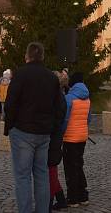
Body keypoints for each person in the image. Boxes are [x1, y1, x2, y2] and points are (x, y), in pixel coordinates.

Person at [4, 42, 66, 213]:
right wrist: (52, 127)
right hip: (44, 133)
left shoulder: (21, 75)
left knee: (23, 176)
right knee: (42, 175)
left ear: (27, 56)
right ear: (42, 57)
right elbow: (59, 106)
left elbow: (10, 103)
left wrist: (9, 126)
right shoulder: (51, 78)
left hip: (22, 131)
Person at [61, 71, 91, 207]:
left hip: (70, 137)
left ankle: (73, 198)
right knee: (79, 165)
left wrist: (61, 133)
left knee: (70, 167)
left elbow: (65, 119)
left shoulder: (69, 98)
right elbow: (88, 119)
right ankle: (83, 195)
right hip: (82, 136)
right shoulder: (87, 98)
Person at [49, 71, 69, 211]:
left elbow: (56, 120)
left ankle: (48, 203)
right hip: (55, 137)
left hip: (53, 138)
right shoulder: (59, 97)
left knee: (50, 172)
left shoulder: (57, 98)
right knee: (52, 171)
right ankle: (61, 199)